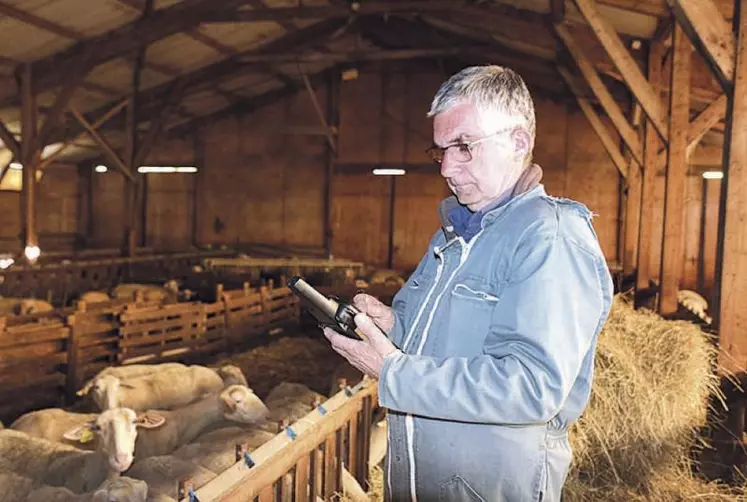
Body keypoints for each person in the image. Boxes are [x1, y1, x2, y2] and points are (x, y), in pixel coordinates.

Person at [323, 65, 614, 502]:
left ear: (518, 141)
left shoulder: (548, 237)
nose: (447, 166)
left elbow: (531, 386)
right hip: (423, 481)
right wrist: (395, 327)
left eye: (464, 146)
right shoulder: (455, 235)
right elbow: (453, 341)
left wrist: (394, 372)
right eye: (441, 150)